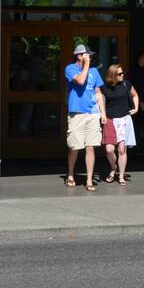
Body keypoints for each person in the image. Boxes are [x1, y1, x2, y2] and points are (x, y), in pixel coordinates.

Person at [64, 43, 104, 191]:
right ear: (79, 55)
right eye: (88, 55)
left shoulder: (95, 71)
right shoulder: (70, 69)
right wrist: (86, 65)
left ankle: (89, 180)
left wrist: (103, 113)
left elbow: (98, 92)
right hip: (77, 113)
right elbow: (80, 81)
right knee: (75, 146)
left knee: (90, 147)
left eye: (91, 56)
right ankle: (70, 174)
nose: (90, 57)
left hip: (92, 113)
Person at [96, 63, 140, 185]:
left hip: (124, 119)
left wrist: (136, 108)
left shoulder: (126, 84)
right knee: (109, 150)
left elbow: (135, 95)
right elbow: (98, 100)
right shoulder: (104, 87)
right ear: (113, 75)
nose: (122, 75)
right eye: (119, 74)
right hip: (110, 120)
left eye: (122, 73)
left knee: (121, 149)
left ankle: (121, 175)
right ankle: (113, 168)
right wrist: (102, 114)